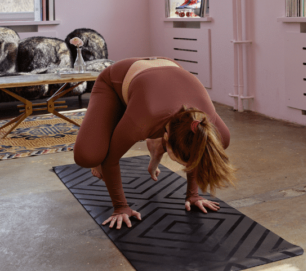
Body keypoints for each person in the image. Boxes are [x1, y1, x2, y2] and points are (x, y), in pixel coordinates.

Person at [73, 57, 235, 230]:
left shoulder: (212, 129)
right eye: (178, 160)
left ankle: (153, 146)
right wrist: (120, 207)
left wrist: (193, 195)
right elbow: (111, 160)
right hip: (116, 81)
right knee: (90, 155)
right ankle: (114, 125)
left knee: (220, 141)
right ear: (166, 139)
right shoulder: (142, 121)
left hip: (165, 74)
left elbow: (196, 149)